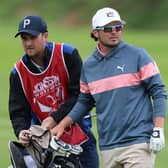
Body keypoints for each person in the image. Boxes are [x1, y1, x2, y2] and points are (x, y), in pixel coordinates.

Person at [50, 7, 167, 168]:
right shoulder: (89, 66)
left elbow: (158, 91)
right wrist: (62, 125)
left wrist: (158, 129)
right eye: (108, 28)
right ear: (96, 32)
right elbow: (85, 101)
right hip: (108, 147)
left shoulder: (138, 55)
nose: (114, 32)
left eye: (118, 27)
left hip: (138, 143)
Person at [9, 15, 99, 168]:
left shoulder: (67, 54)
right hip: (45, 143)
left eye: (32, 37)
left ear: (45, 36)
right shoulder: (18, 73)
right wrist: (21, 131)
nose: (28, 43)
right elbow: (18, 111)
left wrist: (55, 117)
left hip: (80, 136)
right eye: (24, 38)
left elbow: (80, 94)